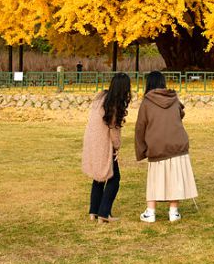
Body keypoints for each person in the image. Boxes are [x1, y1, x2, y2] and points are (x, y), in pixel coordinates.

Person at [134, 71, 197, 222]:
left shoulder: (147, 102)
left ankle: (151, 212)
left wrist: (141, 150)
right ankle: (173, 212)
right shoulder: (174, 98)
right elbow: (180, 114)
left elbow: (140, 127)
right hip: (177, 142)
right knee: (175, 177)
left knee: (155, 177)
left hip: (157, 145)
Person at [82, 72, 131, 223]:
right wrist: (117, 148)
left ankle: (93, 211)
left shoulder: (101, 98)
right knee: (114, 178)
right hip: (104, 144)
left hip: (92, 141)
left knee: (99, 177)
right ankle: (104, 213)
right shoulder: (114, 104)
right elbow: (114, 131)